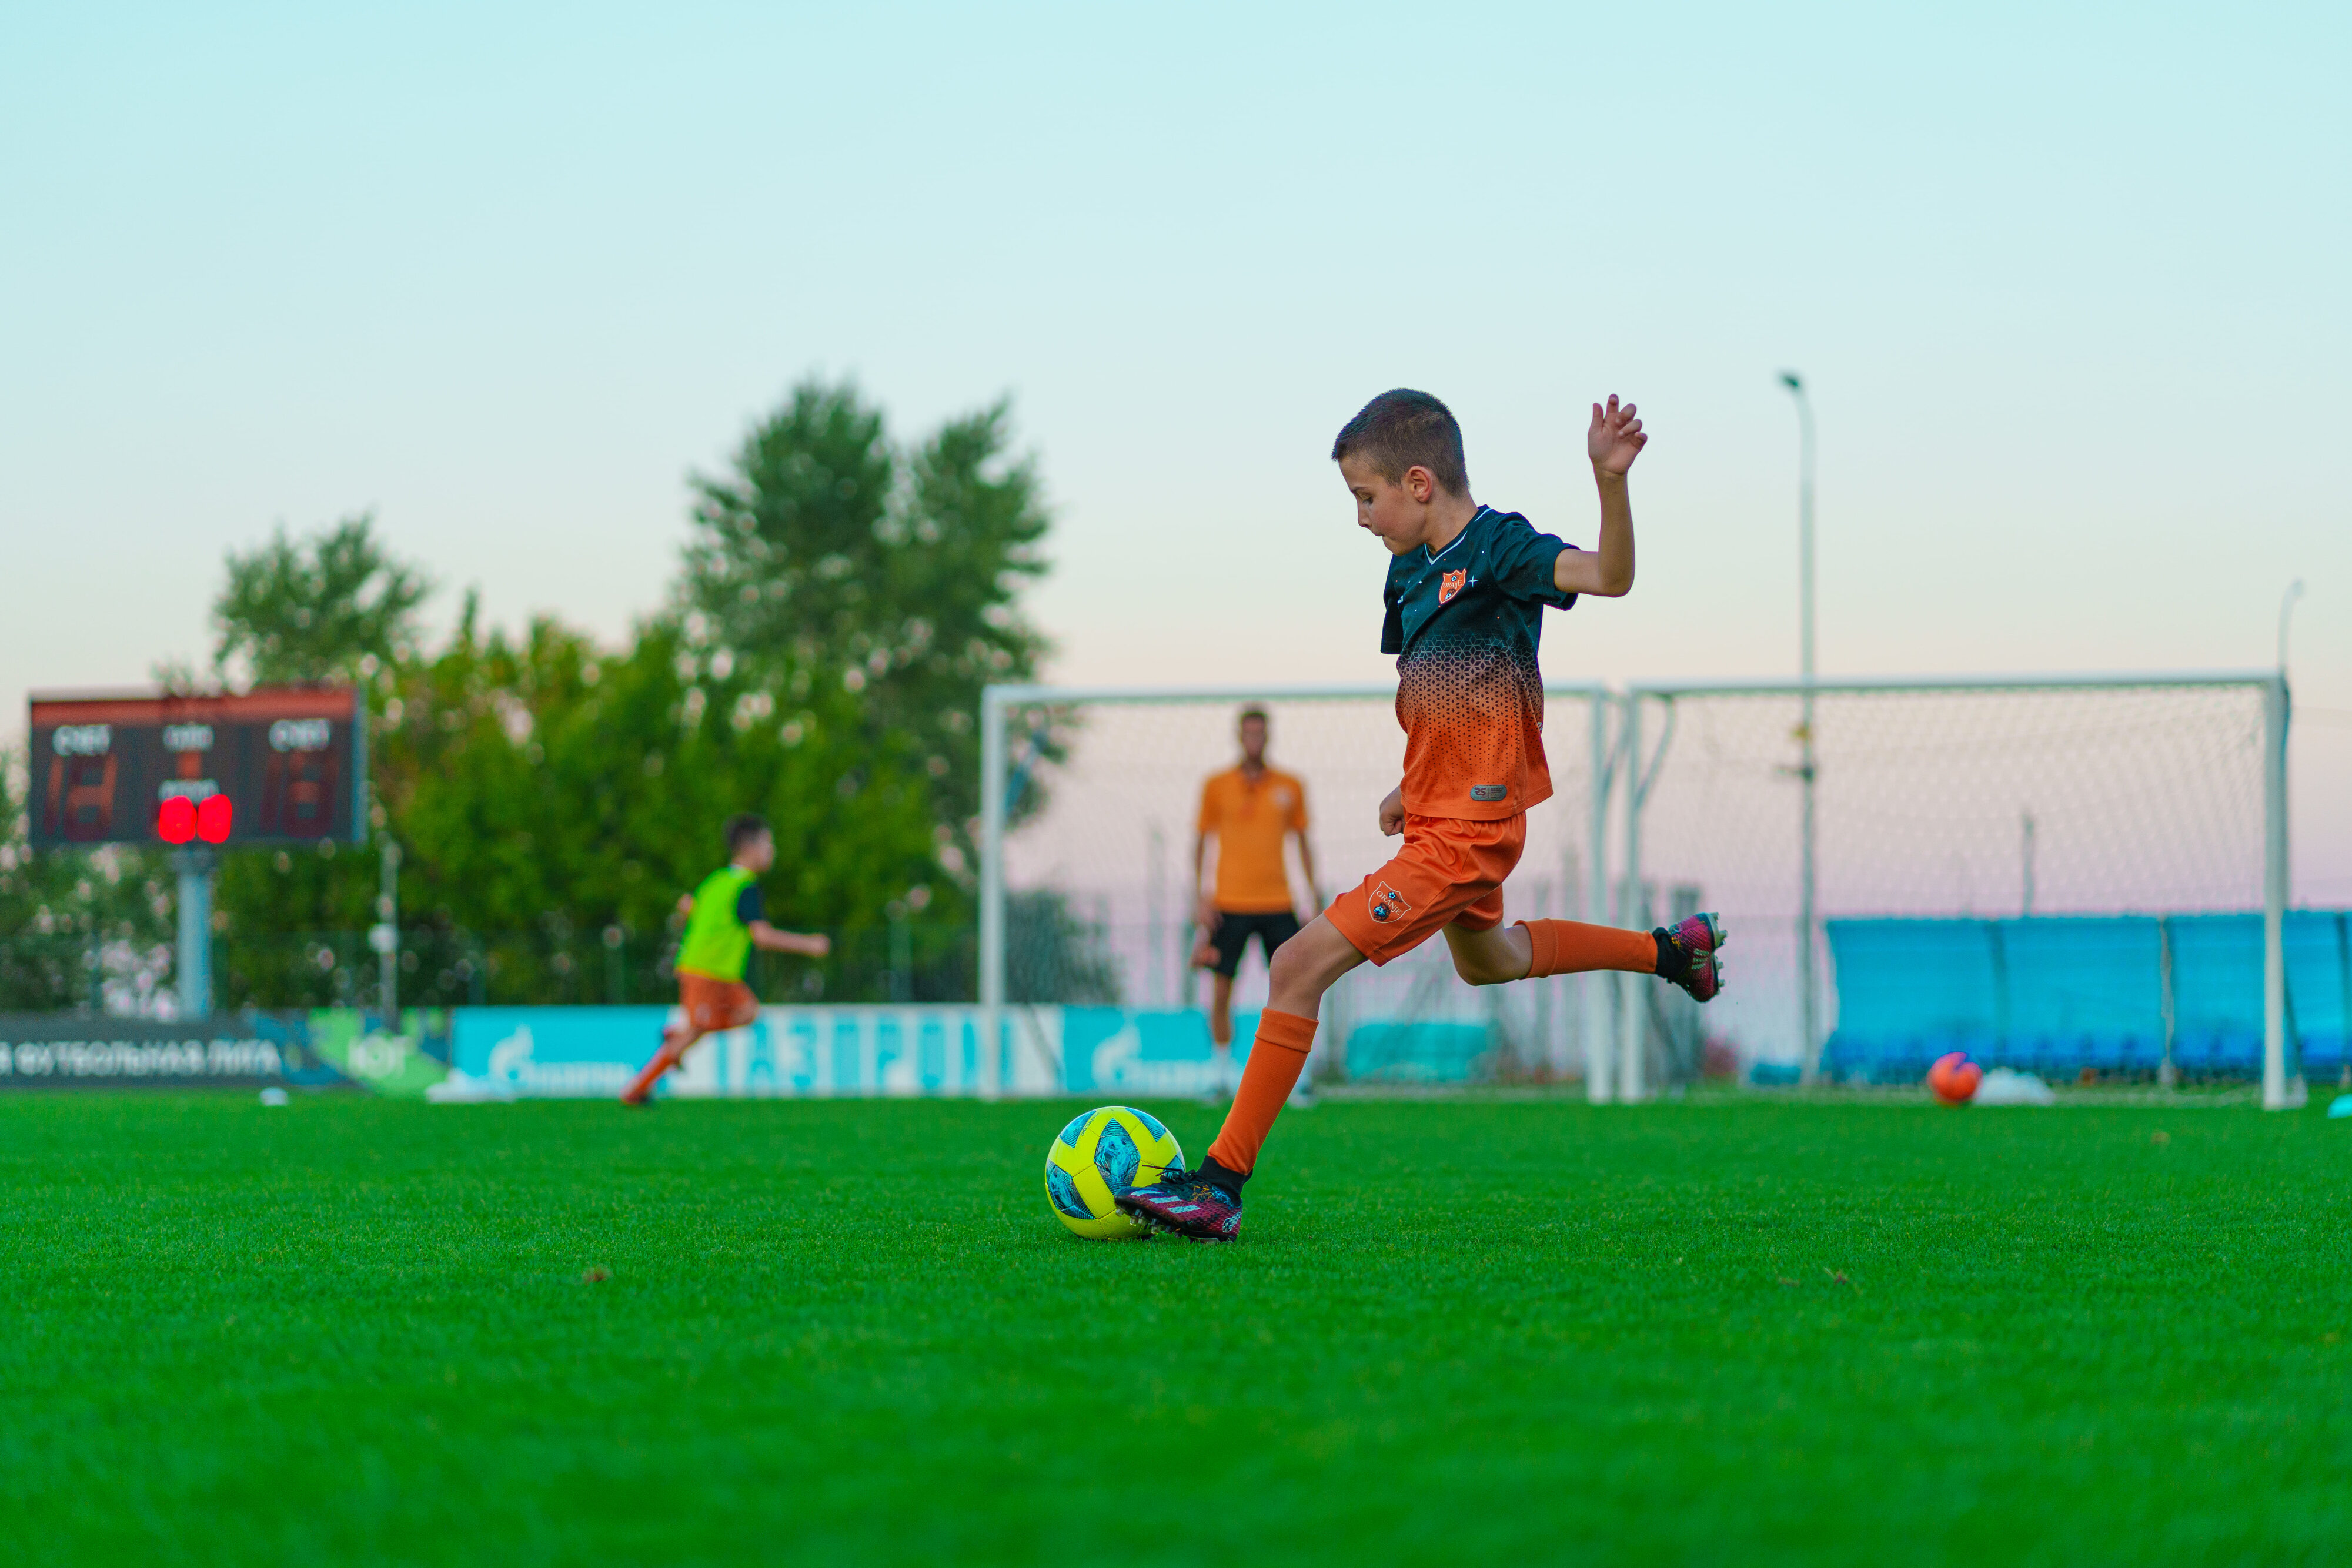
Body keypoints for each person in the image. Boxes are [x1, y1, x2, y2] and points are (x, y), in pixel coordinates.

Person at [1118, 389, 1725, 1241]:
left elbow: (1611, 576)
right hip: (1438, 816)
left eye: (1366, 499)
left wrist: (1608, 480)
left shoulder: (1503, 550)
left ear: (1418, 482)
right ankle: (1672, 950)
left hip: (1470, 831)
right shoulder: (1406, 570)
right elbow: (1434, 691)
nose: (1361, 518)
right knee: (1493, 960)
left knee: (1294, 966)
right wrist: (1414, 786)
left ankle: (1220, 1182)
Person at [619, 813, 830, 1105]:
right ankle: (636, 1088)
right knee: (698, 1028)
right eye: (769, 844)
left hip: (718, 971)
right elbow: (763, 937)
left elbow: (690, 908)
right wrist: (810, 944)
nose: (772, 852)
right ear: (751, 847)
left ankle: (672, 1042)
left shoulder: (716, 880)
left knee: (746, 1013)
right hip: (706, 970)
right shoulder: (746, 887)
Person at [1191, 707, 1322, 1098]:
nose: (1254, 739)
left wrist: (1312, 896)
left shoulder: (1290, 784)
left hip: (1278, 902)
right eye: (1248, 733)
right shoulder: (1216, 785)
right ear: (1239, 736)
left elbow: (1302, 841)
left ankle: (1300, 1081)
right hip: (1228, 903)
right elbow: (1201, 842)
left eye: (1260, 733)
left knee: (1297, 987)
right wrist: (1202, 897)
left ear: (1268, 736)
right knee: (1220, 991)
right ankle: (1219, 1075)